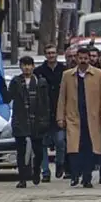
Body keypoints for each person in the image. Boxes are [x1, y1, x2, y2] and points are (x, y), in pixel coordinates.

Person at [56, 47, 101, 188]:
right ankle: (74, 175)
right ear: (76, 58)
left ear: (90, 59)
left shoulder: (100, 75)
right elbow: (62, 98)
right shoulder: (67, 75)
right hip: (74, 117)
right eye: (80, 58)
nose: (83, 61)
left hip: (92, 118)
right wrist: (60, 117)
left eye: (85, 58)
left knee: (90, 149)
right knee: (74, 149)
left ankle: (87, 178)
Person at [0, 56, 51, 188]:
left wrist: (46, 119)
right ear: (20, 67)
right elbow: (7, 98)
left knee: (38, 151)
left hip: (37, 121)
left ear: (33, 67)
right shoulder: (16, 82)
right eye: (24, 65)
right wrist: (0, 85)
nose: (27, 68)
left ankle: (36, 170)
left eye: (29, 65)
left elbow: (46, 102)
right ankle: (22, 178)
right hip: (21, 120)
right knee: (21, 151)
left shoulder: (41, 82)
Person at [34, 44, 67, 182]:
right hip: (43, 114)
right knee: (43, 145)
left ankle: (60, 163)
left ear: (57, 54)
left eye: (53, 53)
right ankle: (45, 172)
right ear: (45, 55)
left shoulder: (64, 70)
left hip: (59, 112)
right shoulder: (39, 71)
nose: (51, 55)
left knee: (60, 141)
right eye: (48, 53)